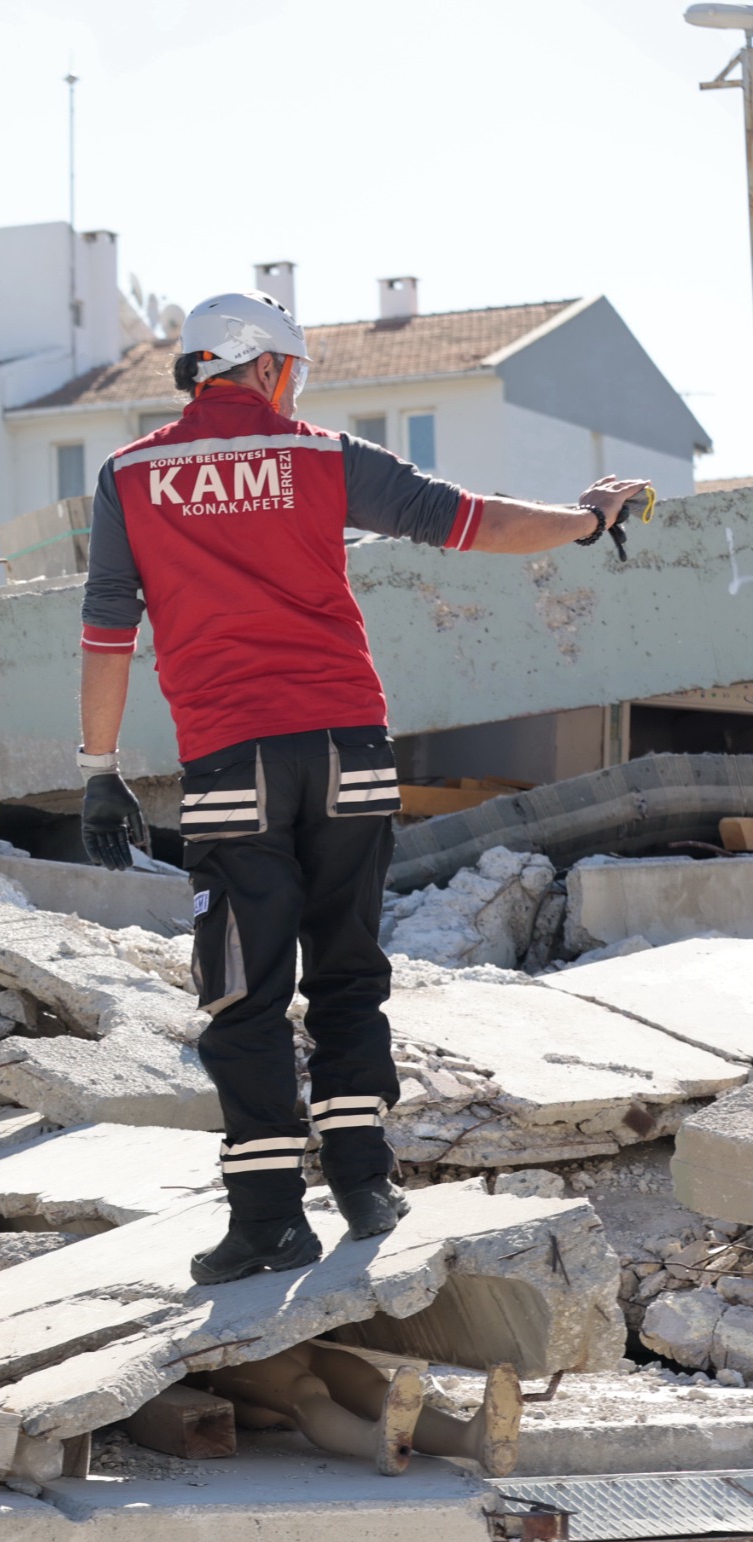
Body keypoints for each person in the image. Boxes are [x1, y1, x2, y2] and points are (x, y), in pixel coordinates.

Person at [75, 290, 655, 1285]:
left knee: (244, 989)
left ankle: (266, 1218)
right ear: (265, 368)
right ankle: (362, 1181)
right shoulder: (321, 457)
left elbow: (104, 633)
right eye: (291, 372)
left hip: (233, 762)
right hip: (350, 745)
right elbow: (474, 521)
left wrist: (97, 770)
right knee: (346, 964)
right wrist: (585, 517)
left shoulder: (129, 477)